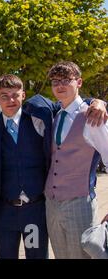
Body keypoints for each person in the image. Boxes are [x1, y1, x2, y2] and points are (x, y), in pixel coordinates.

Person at [44, 61, 108, 259]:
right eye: (55, 81)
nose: (60, 85)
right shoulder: (54, 115)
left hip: (79, 202)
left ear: (79, 82)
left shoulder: (92, 117)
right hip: (51, 204)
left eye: (66, 80)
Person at [0, 74, 50, 259]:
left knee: (36, 256)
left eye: (15, 95)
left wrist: (97, 102)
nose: (11, 100)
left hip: (34, 212)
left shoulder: (38, 121)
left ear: (23, 95)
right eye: (4, 95)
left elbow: (69, 105)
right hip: (4, 212)